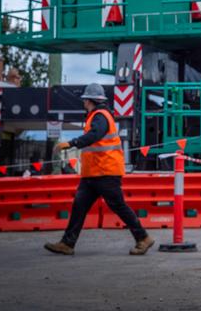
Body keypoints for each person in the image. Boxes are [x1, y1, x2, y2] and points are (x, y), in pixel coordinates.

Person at [44, 83, 154, 256]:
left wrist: (71, 143)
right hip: (93, 173)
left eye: (85, 101)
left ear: (89, 101)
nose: (83, 103)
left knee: (118, 205)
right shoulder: (97, 116)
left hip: (105, 172)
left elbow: (95, 135)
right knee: (79, 206)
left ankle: (143, 238)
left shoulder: (100, 116)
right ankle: (67, 243)